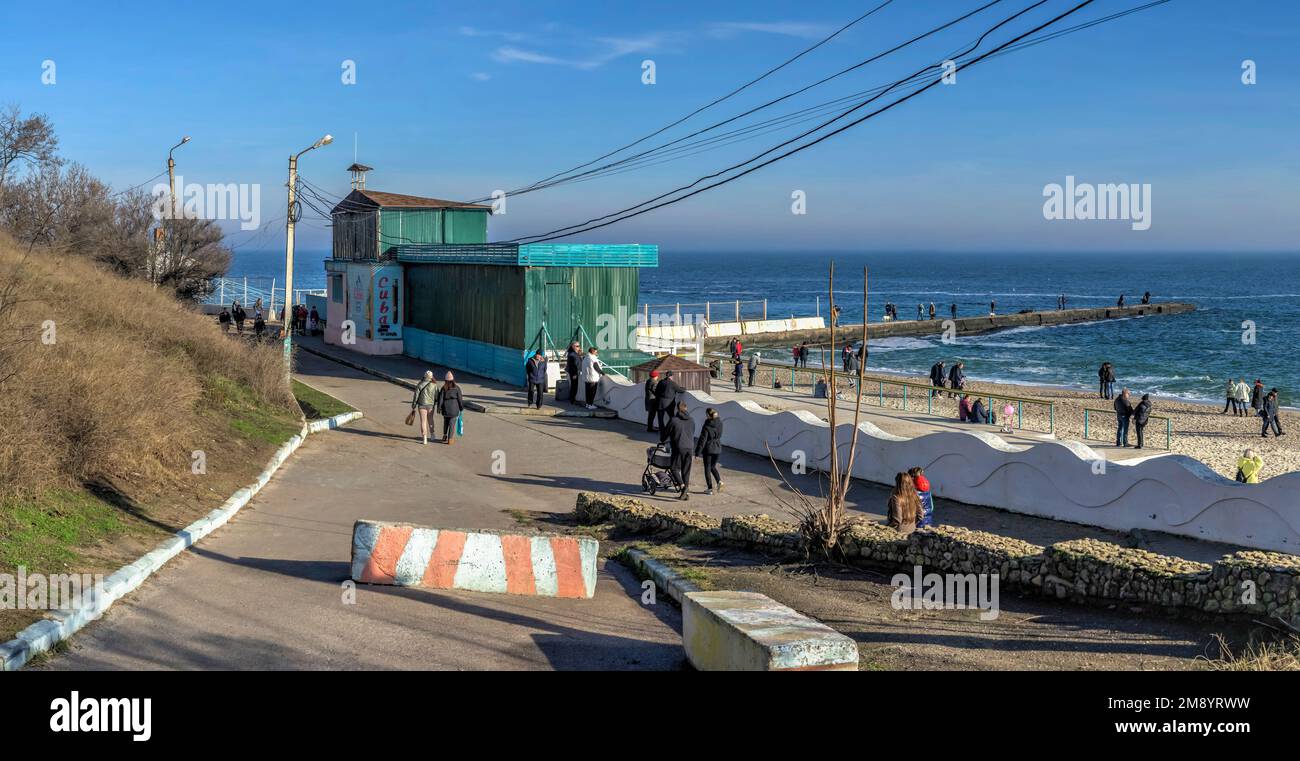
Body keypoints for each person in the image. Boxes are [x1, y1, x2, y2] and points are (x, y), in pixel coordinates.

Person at [665, 402, 695, 500]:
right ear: (686, 408)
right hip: (690, 447)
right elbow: (692, 432)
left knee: (674, 468)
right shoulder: (691, 420)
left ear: (677, 409)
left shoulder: (674, 420)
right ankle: (685, 493)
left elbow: (666, 432)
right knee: (686, 470)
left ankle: (683, 486)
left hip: (678, 447)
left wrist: (663, 440)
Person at [695, 408, 724, 495]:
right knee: (713, 466)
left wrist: (697, 452)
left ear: (708, 415)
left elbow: (702, 440)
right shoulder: (720, 423)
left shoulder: (707, 425)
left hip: (708, 449)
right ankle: (719, 481)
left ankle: (710, 488)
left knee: (707, 468)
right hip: (718, 447)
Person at [435, 372, 463, 445]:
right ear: (453, 380)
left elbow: (440, 399)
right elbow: (460, 399)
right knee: (452, 425)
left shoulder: (443, 388)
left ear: (445, 380)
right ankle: (450, 440)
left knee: (446, 423)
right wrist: (461, 408)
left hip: (445, 409)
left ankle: (444, 436)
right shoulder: (457, 388)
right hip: (454, 409)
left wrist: (439, 408)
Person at [411, 370, 437, 445]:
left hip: (421, 405)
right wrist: (434, 402)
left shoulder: (420, 384)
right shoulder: (434, 385)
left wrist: (414, 405)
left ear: (424, 376)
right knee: (431, 420)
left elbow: (416, 396)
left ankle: (425, 438)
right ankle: (432, 434)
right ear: (432, 377)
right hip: (430, 405)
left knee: (423, 421)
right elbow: (436, 396)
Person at [654, 370, 682, 437]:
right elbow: (680, 390)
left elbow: (656, 392)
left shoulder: (661, 382)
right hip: (669, 404)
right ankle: (670, 430)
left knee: (660, 419)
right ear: (671, 376)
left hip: (660, 403)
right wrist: (684, 388)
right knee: (672, 418)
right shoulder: (673, 383)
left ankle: (662, 431)